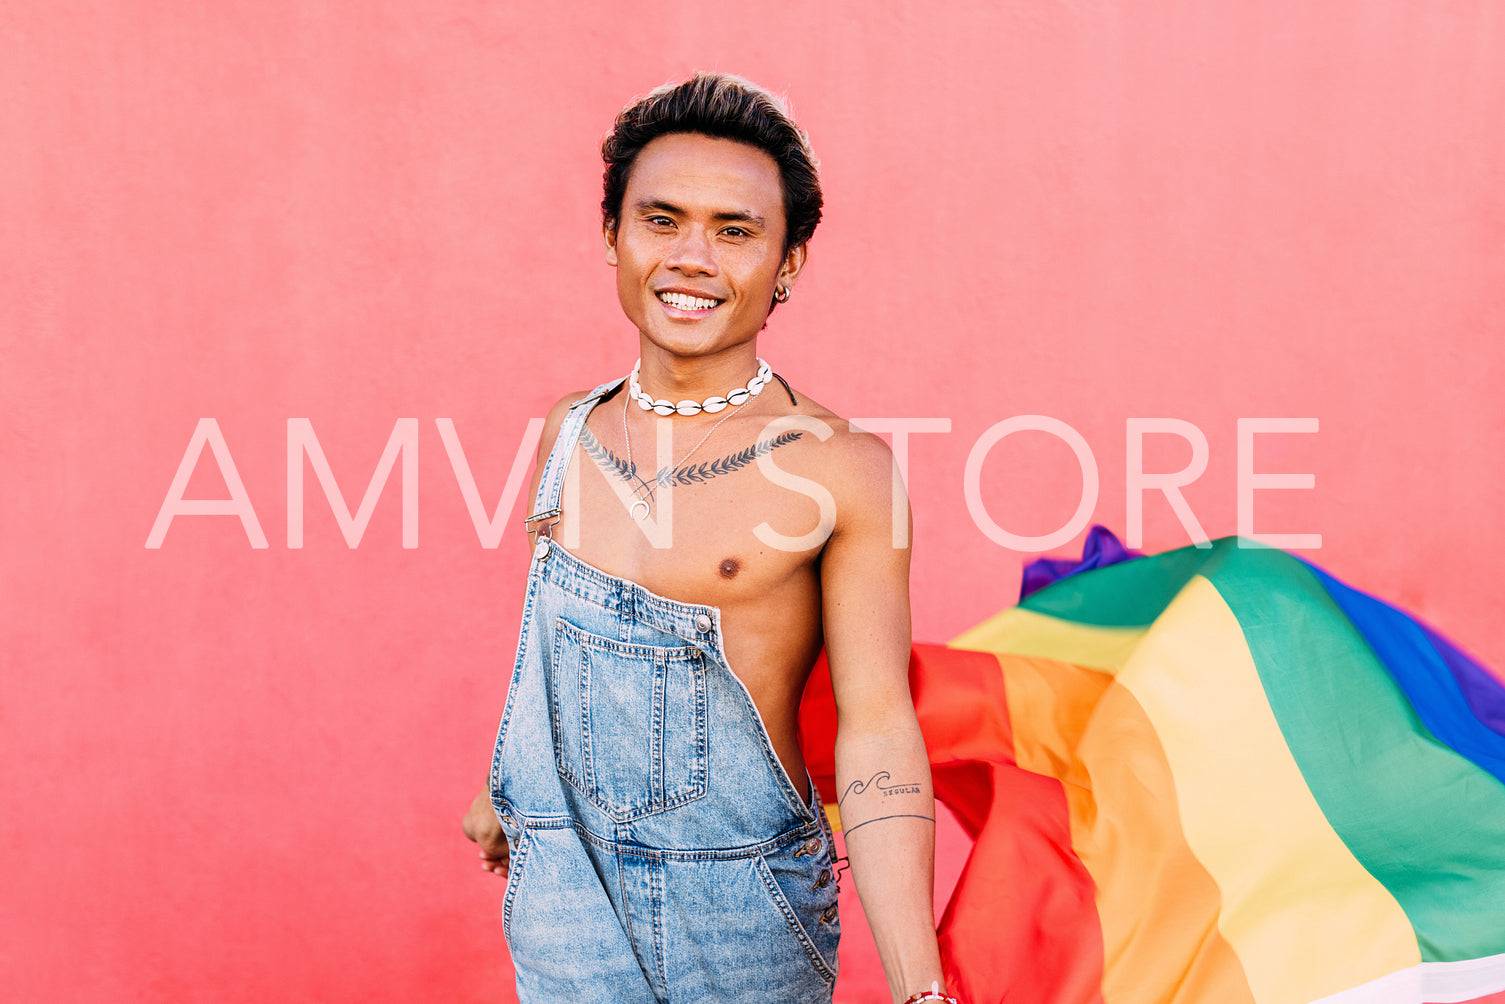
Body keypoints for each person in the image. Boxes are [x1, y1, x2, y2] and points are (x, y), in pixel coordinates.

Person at [462, 72, 955, 1004]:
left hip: (740, 904)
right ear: (611, 235)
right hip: (561, 887)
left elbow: (879, 730)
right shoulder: (567, 430)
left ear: (789, 263)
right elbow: (550, 636)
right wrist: (506, 779)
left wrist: (919, 989)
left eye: (735, 231)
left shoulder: (838, 469)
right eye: (661, 221)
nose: (693, 258)